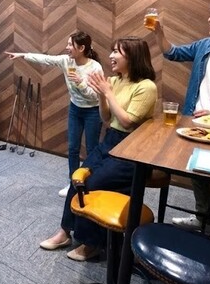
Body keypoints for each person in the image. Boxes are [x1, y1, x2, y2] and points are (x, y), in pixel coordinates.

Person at [40, 37, 157, 261]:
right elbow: (107, 118)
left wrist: (107, 92)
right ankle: (65, 231)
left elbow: (127, 122)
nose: (111, 56)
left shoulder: (146, 87)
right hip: (110, 140)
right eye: (112, 51)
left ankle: (92, 244)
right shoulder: (115, 80)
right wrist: (103, 95)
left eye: (117, 52)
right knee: (78, 178)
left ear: (132, 56)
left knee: (92, 184)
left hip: (131, 150)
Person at [5, 31, 103, 197]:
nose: (67, 47)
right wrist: (22, 55)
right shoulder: (66, 61)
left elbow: (96, 96)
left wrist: (80, 83)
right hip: (75, 109)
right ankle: (73, 184)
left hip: (93, 111)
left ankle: (90, 184)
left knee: (92, 150)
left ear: (81, 48)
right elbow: (46, 59)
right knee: (73, 148)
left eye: (70, 45)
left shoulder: (94, 67)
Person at [150, 12, 210, 231]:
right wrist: (159, 33)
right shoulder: (205, 45)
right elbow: (172, 53)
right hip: (196, 122)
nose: (209, 19)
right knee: (197, 172)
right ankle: (202, 217)